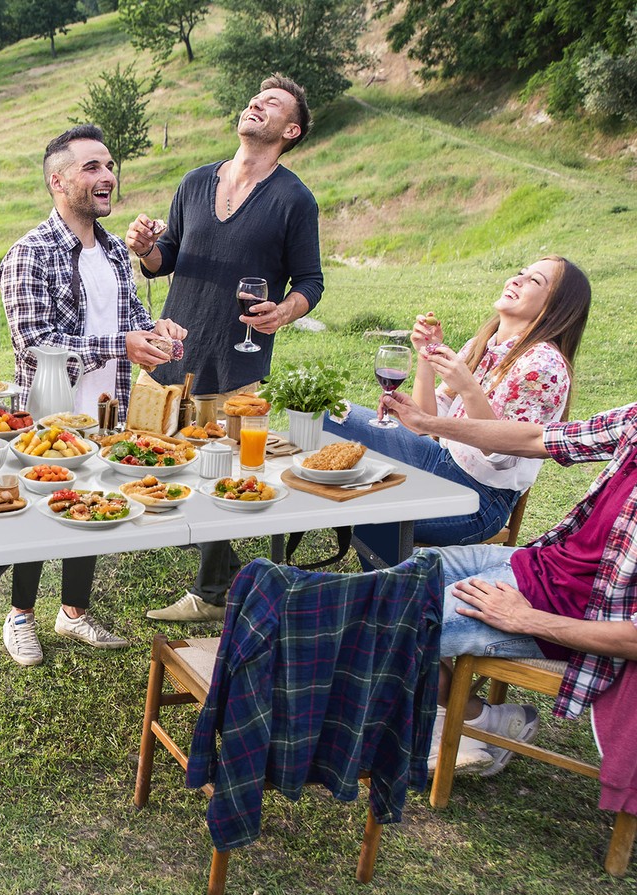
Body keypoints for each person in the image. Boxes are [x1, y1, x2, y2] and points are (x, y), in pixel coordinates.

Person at [126, 74, 324, 622]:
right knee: (141, 452)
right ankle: (222, 572)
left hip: (236, 356)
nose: (256, 103)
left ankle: (214, 591)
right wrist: (145, 250)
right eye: (256, 97)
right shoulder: (194, 182)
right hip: (169, 347)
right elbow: (165, 258)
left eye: (272, 103)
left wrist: (285, 311)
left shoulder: (294, 199)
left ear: (290, 130)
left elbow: (311, 281)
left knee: (216, 471)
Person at [0, 123, 185, 665]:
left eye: (109, 166)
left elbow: (131, 316)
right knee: (39, 514)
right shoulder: (30, 253)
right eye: (92, 167)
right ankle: (20, 616)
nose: (107, 176)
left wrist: (156, 330)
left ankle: (73, 611)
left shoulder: (115, 253)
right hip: (49, 417)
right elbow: (35, 344)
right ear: (58, 181)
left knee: (91, 506)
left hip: (108, 414)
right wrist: (120, 345)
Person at [382, 390, 637, 777]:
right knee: (397, 579)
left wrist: (527, 619)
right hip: (539, 564)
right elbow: (535, 438)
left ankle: (335, 734)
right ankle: (482, 721)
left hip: (565, 612)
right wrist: (426, 423)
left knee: (393, 625)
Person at [328, 256, 591, 548]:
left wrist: (468, 388)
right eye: (521, 272)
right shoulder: (483, 344)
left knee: (372, 511)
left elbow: (502, 455)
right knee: (333, 414)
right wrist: (426, 357)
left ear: (555, 308)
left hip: (480, 500)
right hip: (439, 459)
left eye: (534, 281)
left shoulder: (543, 367)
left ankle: (394, 571)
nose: (516, 280)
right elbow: (427, 420)